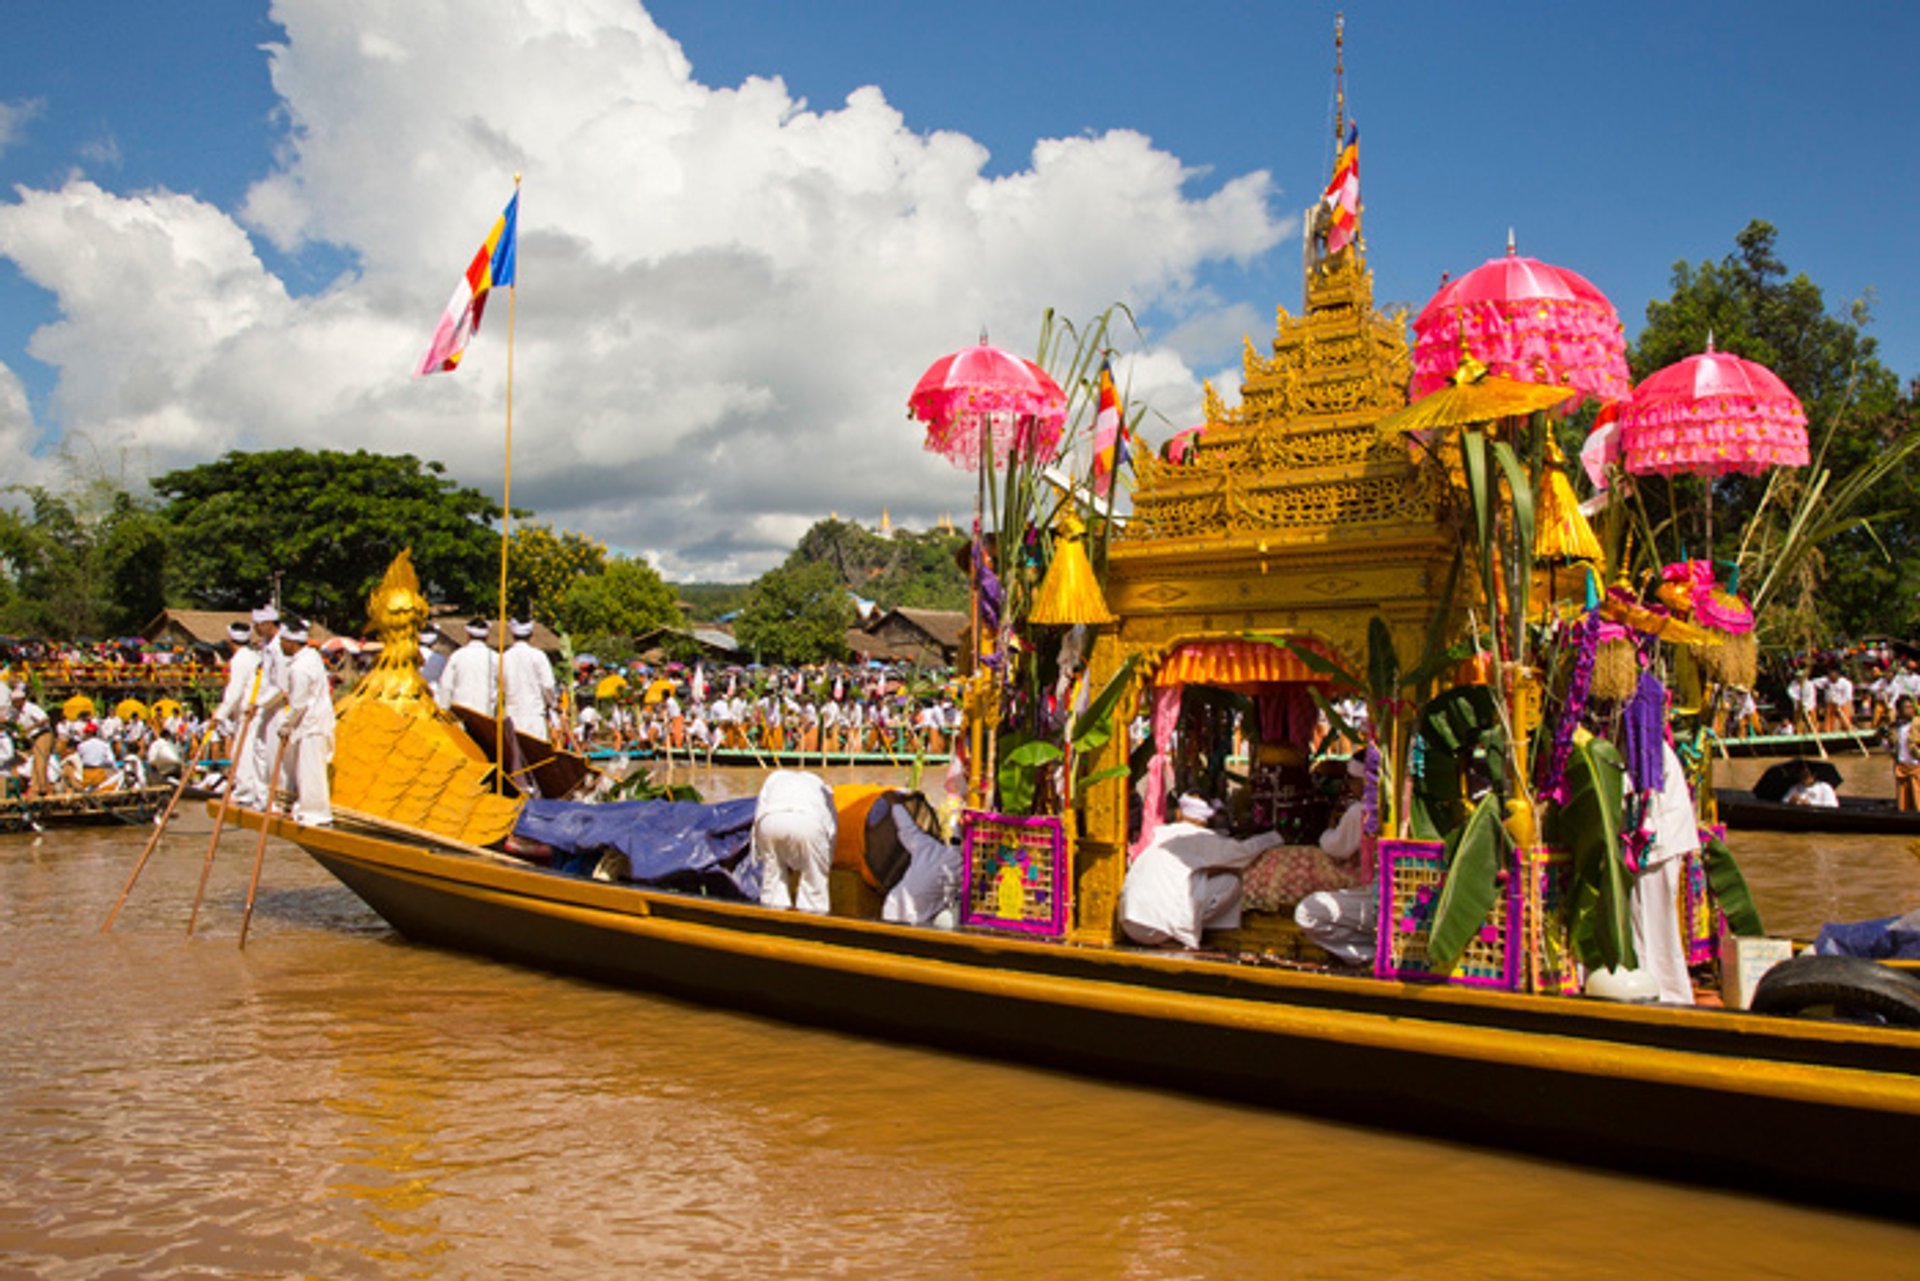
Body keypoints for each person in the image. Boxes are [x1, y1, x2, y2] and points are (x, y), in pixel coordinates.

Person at [1118, 794, 1286, 948]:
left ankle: (1179, 929)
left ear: (1179, 814)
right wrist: (1276, 836)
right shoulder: (1200, 837)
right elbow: (1243, 853)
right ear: (1205, 820)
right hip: (1156, 928)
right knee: (1230, 881)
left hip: (1128, 921)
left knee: (1194, 879)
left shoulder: (1162, 834)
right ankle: (1184, 934)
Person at [273, 620, 335, 825]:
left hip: (311, 724)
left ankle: (314, 813)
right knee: (309, 769)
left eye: (283, 641)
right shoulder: (312, 656)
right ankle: (307, 808)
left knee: (310, 771)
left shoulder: (299, 668)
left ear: (291, 642)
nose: (281, 645)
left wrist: (285, 726)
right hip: (317, 720)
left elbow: (298, 705)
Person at [752, 769, 837, 914]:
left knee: (773, 881)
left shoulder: (774, 778)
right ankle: (811, 925)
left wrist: (760, 853)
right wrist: (825, 862)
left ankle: (772, 925)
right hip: (809, 822)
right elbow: (831, 828)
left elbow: (758, 815)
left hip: (770, 820)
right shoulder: (821, 787)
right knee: (813, 885)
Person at [875, 794, 963, 926]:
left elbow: (907, 829)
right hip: (914, 920)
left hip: (893, 910)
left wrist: (895, 804)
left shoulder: (928, 847)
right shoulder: (962, 868)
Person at [214, 619, 273, 809]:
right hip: (256, 709)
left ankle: (245, 792)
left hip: (249, 711)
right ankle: (253, 792)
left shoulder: (240, 660)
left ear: (230, 641)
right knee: (253, 753)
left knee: (244, 751)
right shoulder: (255, 655)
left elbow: (234, 692)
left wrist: (219, 715)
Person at [500, 620, 557, 743]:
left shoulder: (504, 657)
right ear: (531, 634)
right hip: (534, 717)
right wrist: (553, 704)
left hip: (512, 716)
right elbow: (548, 685)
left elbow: (500, 686)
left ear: (512, 634)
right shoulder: (538, 656)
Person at [435, 619, 498, 718]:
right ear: (487, 637)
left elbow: (446, 686)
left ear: (467, 636)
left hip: (460, 713)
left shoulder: (457, 656)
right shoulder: (495, 658)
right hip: (485, 714)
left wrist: (443, 710)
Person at [11, 684, 54, 799]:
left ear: (22, 700)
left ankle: (43, 788)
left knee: (41, 762)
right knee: (34, 763)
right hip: (33, 738)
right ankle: (36, 788)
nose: (14, 704)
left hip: (43, 735)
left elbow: (45, 718)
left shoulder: (31, 708)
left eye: (16, 702)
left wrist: (30, 728)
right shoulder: (17, 712)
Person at [1895, 698, 1920, 812]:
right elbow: (1891, 746)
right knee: (1903, 802)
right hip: (1902, 765)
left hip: (1917, 766)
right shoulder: (1896, 727)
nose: (1910, 710)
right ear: (1899, 710)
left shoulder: (1917, 724)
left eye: (1911, 707)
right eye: (1906, 707)